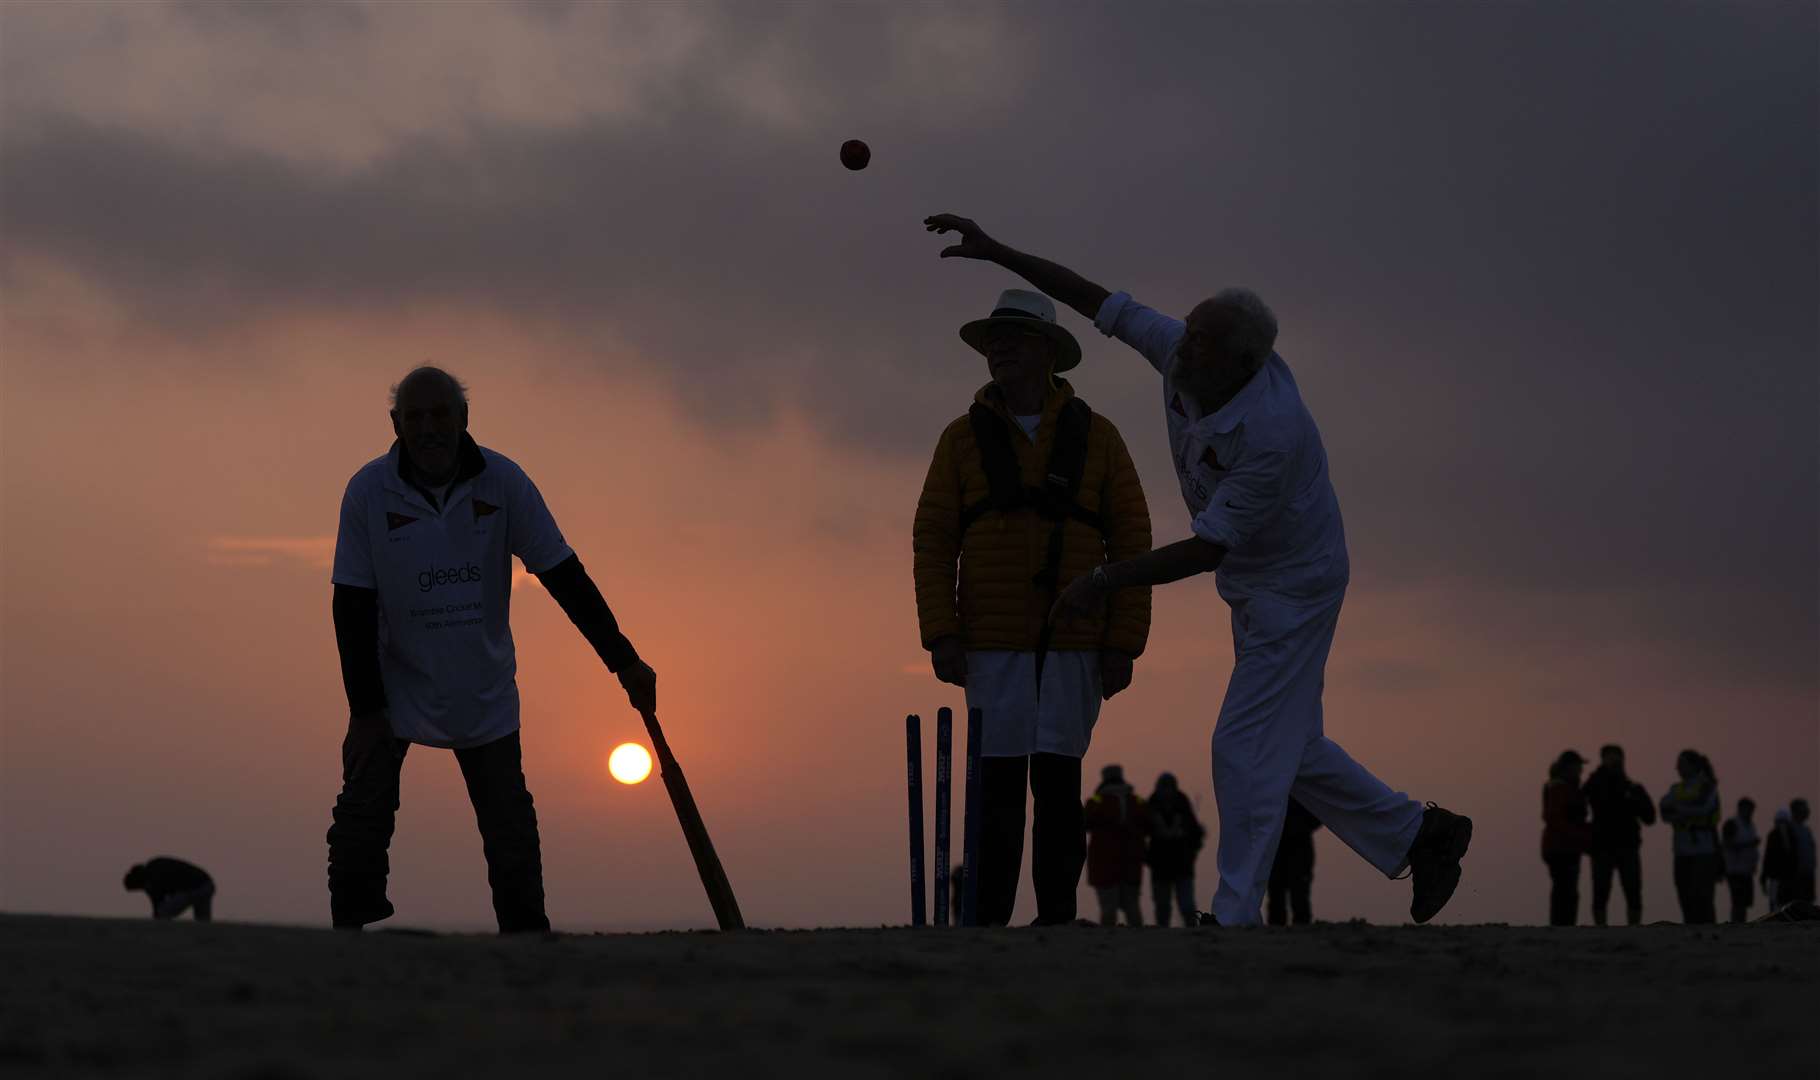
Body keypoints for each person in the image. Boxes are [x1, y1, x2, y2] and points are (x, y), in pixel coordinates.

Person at [924, 213, 1473, 927]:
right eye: (1188, 329)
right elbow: (1094, 299)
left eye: (1203, 341)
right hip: (1253, 582)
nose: (1184, 344)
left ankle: (1234, 913)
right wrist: (998, 253)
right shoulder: (1186, 350)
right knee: (1292, 748)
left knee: (1242, 744)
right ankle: (1419, 834)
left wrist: (1103, 581)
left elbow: (1206, 549)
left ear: (1240, 366)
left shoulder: (1271, 433)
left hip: (1295, 587)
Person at [328, 367, 657, 933]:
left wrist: (623, 659)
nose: (429, 429)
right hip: (393, 681)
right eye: (415, 417)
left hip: (482, 686)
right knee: (362, 811)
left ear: (463, 420)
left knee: (509, 825)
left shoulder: (503, 483)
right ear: (395, 425)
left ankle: (526, 938)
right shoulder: (367, 491)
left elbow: (563, 575)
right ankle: (348, 934)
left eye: (440, 415)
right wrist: (365, 711)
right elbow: (351, 605)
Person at [913, 290, 1154, 927]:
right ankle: (989, 923)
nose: (1000, 347)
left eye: (1014, 336)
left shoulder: (1098, 437)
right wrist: (942, 633)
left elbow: (1132, 542)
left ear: (1048, 351)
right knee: (995, 794)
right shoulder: (959, 440)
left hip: (1076, 640)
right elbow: (933, 539)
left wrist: (1122, 643)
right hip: (989, 642)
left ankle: (1056, 921)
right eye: (994, 337)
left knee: (1058, 789)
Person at [1580, 744, 1655, 926]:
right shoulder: (1594, 783)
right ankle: (1601, 929)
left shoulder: (1632, 788)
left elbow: (1650, 817)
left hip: (1626, 845)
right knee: (1601, 891)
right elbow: (1577, 806)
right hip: (1602, 846)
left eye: (1617, 757)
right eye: (1610, 757)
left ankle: (1634, 928)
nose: (1614, 761)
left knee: (1633, 890)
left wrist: (1634, 800)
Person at [1659, 750, 1721, 925]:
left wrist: (1678, 808)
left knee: (1702, 895)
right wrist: (1684, 808)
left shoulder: (1707, 786)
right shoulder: (1675, 789)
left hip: (1703, 850)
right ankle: (1690, 930)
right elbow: (1664, 809)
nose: (1677, 768)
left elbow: (1703, 807)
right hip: (1681, 850)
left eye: (1681, 764)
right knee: (1684, 894)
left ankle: (1709, 931)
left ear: (1694, 766)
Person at [1084, 764, 1148, 926]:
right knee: (1133, 908)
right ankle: (1139, 942)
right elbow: (1148, 824)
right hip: (1131, 862)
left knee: (1108, 909)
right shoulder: (1136, 801)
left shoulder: (1096, 801)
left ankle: (1108, 941)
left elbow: (1084, 823)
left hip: (1103, 863)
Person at [1144, 772, 1205, 927]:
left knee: (1186, 906)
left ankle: (1192, 933)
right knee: (1163, 906)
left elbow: (1195, 833)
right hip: (1161, 865)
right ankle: (1164, 935)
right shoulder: (1152, 804)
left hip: (1181, 864)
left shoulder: (1182, 804)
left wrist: (1190, 851)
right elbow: (1141, 832)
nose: (1166, 791)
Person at [1541, 751, 1593, 927]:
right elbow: (1555, 818)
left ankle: (1562, 925)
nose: (1580, 770)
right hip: (1561, 847)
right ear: (1569, 768)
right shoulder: (1559, 787)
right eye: (1578, 766)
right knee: (1566, 890)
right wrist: (1581, 837)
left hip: (1563, 846)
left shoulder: (1565, 787)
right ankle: (1563, 926)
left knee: (1565, 889)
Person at [1267, 796, 1323, 926]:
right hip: (1278, 846)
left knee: (1299, 893)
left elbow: (1318, 814)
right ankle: (1277, 930)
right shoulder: (1275, 790)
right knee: (1276, 893)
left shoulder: (1302, 791)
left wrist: (1300, 827)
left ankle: (1299, 928)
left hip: (1298, 845)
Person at [123, 857, 215, 921]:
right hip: (207, 884)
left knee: (163, 913)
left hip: (195, 887)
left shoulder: (153, 876)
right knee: (203, 923)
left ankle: (164, 936)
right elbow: (157, 899)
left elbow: (158, 903)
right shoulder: (154, 867)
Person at [1721, 797, 1761, 924]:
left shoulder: (1751, 825)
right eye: (1748, 809)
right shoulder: (1732, 824)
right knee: (1738, 901)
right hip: (1735, 870)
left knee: (1745, 902)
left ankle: (1741, 923)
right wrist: (1749, 844)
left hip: (1746, 870)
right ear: (1741, 809)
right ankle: (1736, 923)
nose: (1750, 812)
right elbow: (1726, 845)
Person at [1760, 808, 1794, 912]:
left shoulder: (1785, 836)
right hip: (1779, 877)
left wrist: (1763, 877)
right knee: (1778, 903)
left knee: (1779, 904)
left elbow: (1767, 858)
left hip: (1782, 877)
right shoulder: (1790, 835)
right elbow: (1768, 858)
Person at [1788, 799, 1816, 905]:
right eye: (1803, 808)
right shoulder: (1790, 829)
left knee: (1808, 901)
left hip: (1808, 872)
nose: (1807, 811)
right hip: (1796, 874)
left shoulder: (1806, 830)